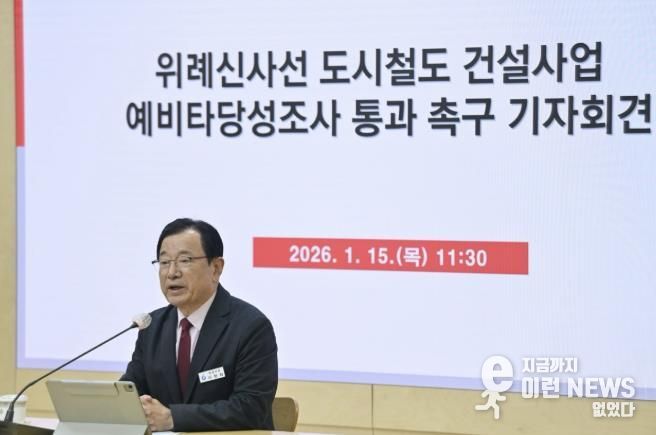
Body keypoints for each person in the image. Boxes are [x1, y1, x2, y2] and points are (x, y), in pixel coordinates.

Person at [121, 218, 278, 432]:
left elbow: (250, 409)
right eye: (164, 262)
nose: (172, 272)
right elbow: (130, 391)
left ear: (216, 268)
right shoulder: (151, 326)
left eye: (185, 260)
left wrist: (172, 418)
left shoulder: (250, 327)